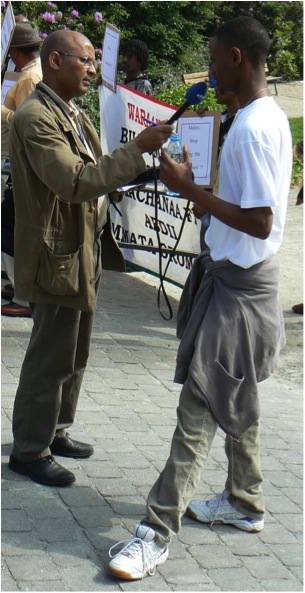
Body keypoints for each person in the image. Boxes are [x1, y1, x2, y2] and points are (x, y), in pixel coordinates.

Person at [107, 16, 292, 580]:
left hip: (241, 287)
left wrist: (190, 191)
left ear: (236, 57)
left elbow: (261, 222)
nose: (207, 71)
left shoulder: (257, 126)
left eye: (212, 59)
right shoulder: (254, 118)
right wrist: (199, 188)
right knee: (234, 390)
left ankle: (154, 533)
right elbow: (242, 204)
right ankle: (243, 500)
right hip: (229, 278)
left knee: (202, 403)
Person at [7, 29, 172, 488]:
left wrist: (146, 166)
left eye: (93, 60)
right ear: (55, 60)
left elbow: (98, 174)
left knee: (75, 351)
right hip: (54, 253)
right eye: (84, 61)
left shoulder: (71, 113)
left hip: (81, 249)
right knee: (50, 355)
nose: (92, 69)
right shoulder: (37, 117)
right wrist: (135, 152)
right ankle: (28, 449)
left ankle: (55, 430)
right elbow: (74, 182)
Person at [1, 21, 42, 318]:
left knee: (11, 225)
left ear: (16, 52)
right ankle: (19, 288)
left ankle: (23, 294)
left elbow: (25, 122)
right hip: (24, 159)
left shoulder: (28, 78)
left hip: (23, 160)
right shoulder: (32, 74)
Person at [193, 87, 240, 248]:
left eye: (218, 79)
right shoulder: (221, 120)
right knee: (207, 262)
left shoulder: (245, 125)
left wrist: (207, 201)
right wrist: (200, 125)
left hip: (228, 215)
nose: (215, 87)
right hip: (209, 212)